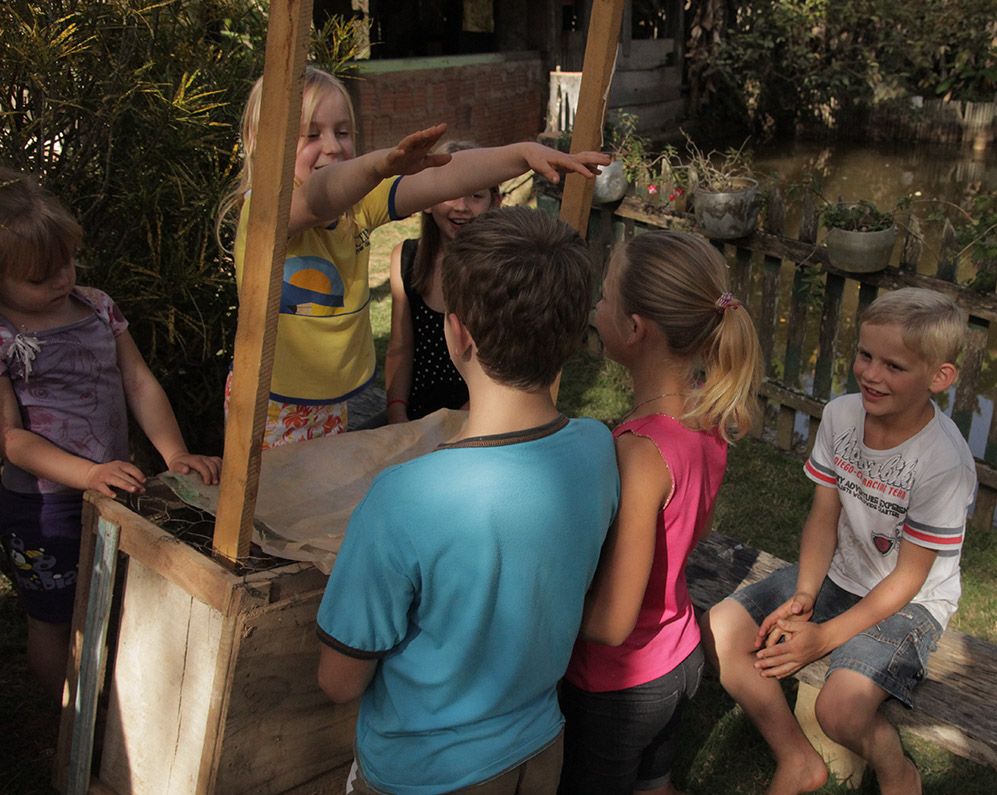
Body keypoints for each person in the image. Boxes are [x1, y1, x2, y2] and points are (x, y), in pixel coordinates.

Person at [315, 206, 620, 795]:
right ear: (571, 335)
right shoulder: (598, 448)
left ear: (458, 333)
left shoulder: (403, 498)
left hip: (422, 776)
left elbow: (339, 680)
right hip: (539, 752)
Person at [218, 66, 607, 449]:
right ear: (262, 142)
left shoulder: (358, 209)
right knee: (270, 506)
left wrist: (521, 154)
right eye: (311, 135)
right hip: (269, 402)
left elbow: (442, 178)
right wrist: (375, 165)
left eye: (342, 132)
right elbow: (318, 197)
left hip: (330, 403)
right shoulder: (266, 212)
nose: (334, 146)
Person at [701, 287, 975, 795]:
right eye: (865, 356)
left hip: (910, 602)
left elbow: (911, 577)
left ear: (940, 377)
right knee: (720, 629)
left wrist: (824, 638)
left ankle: (898, 774)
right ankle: (795, 757)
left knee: (840, 711)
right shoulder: (842, 415)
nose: (871, 374)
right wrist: (805, 594)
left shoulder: (944, 462)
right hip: (838, 574)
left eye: (894, 366)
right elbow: (824, 516)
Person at [0, 168, 222, 699]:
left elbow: (139, 383)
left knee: (112, 597)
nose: (61, 281)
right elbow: (9, 438)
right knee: (53, 617)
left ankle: (108, 708)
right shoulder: (4, 336)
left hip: (113, 495)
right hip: (44, 506)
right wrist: (89, 473)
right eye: (40, 277)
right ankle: (69, 723)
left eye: (66, 264)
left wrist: (175, 453)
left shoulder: (96, 305)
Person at [557, 231, 764, 795]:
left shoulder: (639, 453)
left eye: (603, 296)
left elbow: (611, 622)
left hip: (616, 688)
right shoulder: (709, 414)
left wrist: (529, 609)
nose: (595, 309)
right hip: (678, 657)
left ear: (633, 328)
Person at [384, 141, 498, 423]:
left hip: (481, 419)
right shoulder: (405, 259)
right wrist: (397, 413)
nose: (461, 207)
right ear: (427, 199)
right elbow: (401, 348)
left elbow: (513, 363)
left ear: (495, 202)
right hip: (416, 417)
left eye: (475, 195)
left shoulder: (501, 269)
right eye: (450, 193)